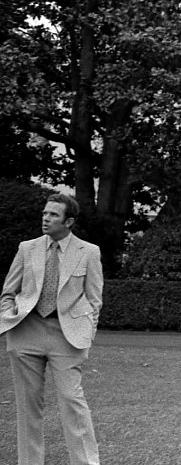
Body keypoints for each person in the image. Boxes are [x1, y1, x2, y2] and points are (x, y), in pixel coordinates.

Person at [0, 193, 103, 465]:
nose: (46, 218)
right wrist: (8, 317)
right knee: (28, 406)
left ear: (68, 221)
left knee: (72, 401)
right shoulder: (27, 248)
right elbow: (8, 292)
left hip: (67, 337)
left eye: (53, 215)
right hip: (25, 332)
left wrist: (87, 335)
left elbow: (94, 300)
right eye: (45, 213)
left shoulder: (89, 252)